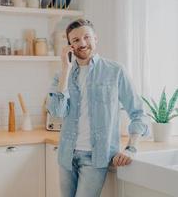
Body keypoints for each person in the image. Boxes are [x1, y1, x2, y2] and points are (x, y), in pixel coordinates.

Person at [46, 19, 149, 197]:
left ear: (96, 38)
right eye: (76, 40)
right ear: (70, 45)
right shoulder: (62, 75)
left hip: (95, 158)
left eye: (87, 37)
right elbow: (57, 112)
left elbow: (138, 113)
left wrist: (131, 148)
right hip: (66, 155)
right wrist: (65, 68)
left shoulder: (115, 71)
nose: (83, 43)